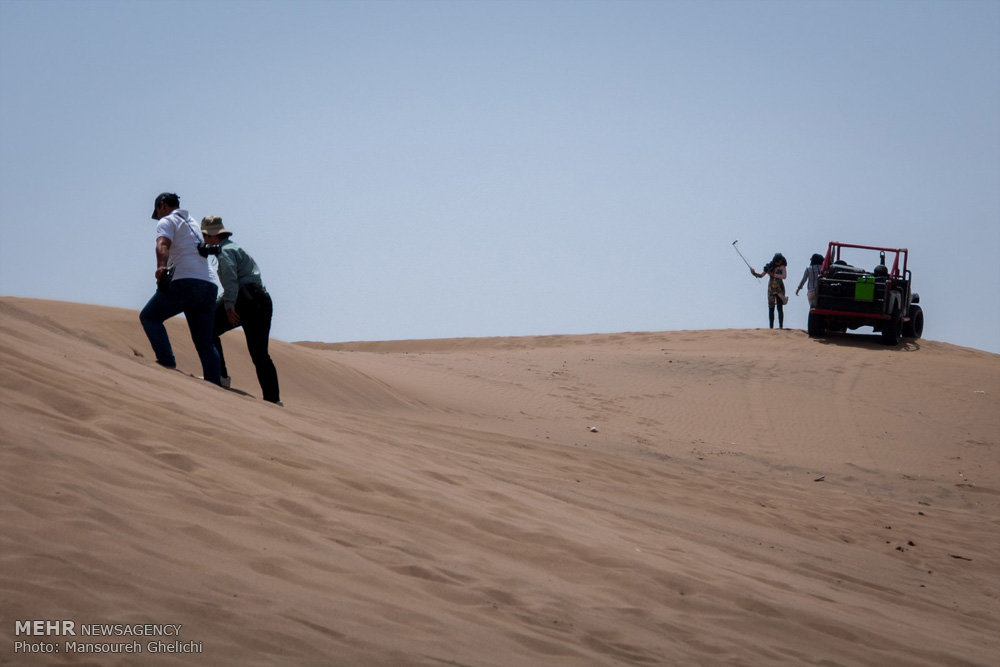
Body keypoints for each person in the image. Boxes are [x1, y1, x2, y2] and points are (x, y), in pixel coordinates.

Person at [139, 193, 222, 385]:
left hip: (186, 281)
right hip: (209, 285)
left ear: (162, 205)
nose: (158, 217)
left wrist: (161, 266)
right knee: (205, 341)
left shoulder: (167, 221)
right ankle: (214, 383)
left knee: (149, 317)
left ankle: (166, 360)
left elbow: (162, 244)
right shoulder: (192, 222)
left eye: (157, 212)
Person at [201, 215, 282, 405]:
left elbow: (231, 281)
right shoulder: (235, 247)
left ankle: (220, 377)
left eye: (204, 236)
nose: (203, 240)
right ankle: (273, 399)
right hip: (261, 299)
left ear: (213, 236)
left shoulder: (224, 252)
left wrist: (229, 306)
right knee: (260, 353)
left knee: (208, 328)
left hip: (245, 300)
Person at [751, 252, 788, 329]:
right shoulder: (770, 266)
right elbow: (761, 275)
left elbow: (784, 276)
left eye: (780, 261)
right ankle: (771, 328)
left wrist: (773, 275)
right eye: (778, 261)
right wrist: (754, 273)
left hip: (779, 289)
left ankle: (781, 326)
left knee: (779, 307)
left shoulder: (783, 266)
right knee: (771, 308)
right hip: (771, 289)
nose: (779, 262)